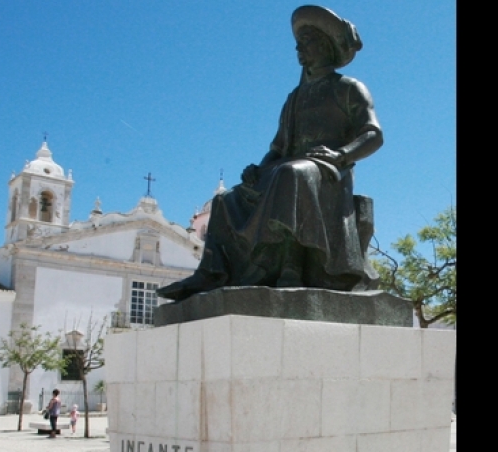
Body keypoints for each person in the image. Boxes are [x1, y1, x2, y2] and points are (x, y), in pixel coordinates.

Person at [158, 5, 382, 301]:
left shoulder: (349, 88)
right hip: (287, 168)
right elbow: (277, 148)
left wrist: (340, 155)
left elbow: (373, 135)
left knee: (291, 174)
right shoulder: (294, 98)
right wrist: (257, 169)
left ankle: (292, 265)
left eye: (307, 41)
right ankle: (212, 271)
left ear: (326, 45)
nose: (299, 49)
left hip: (328, 172)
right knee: (225, 200)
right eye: (298, 43)